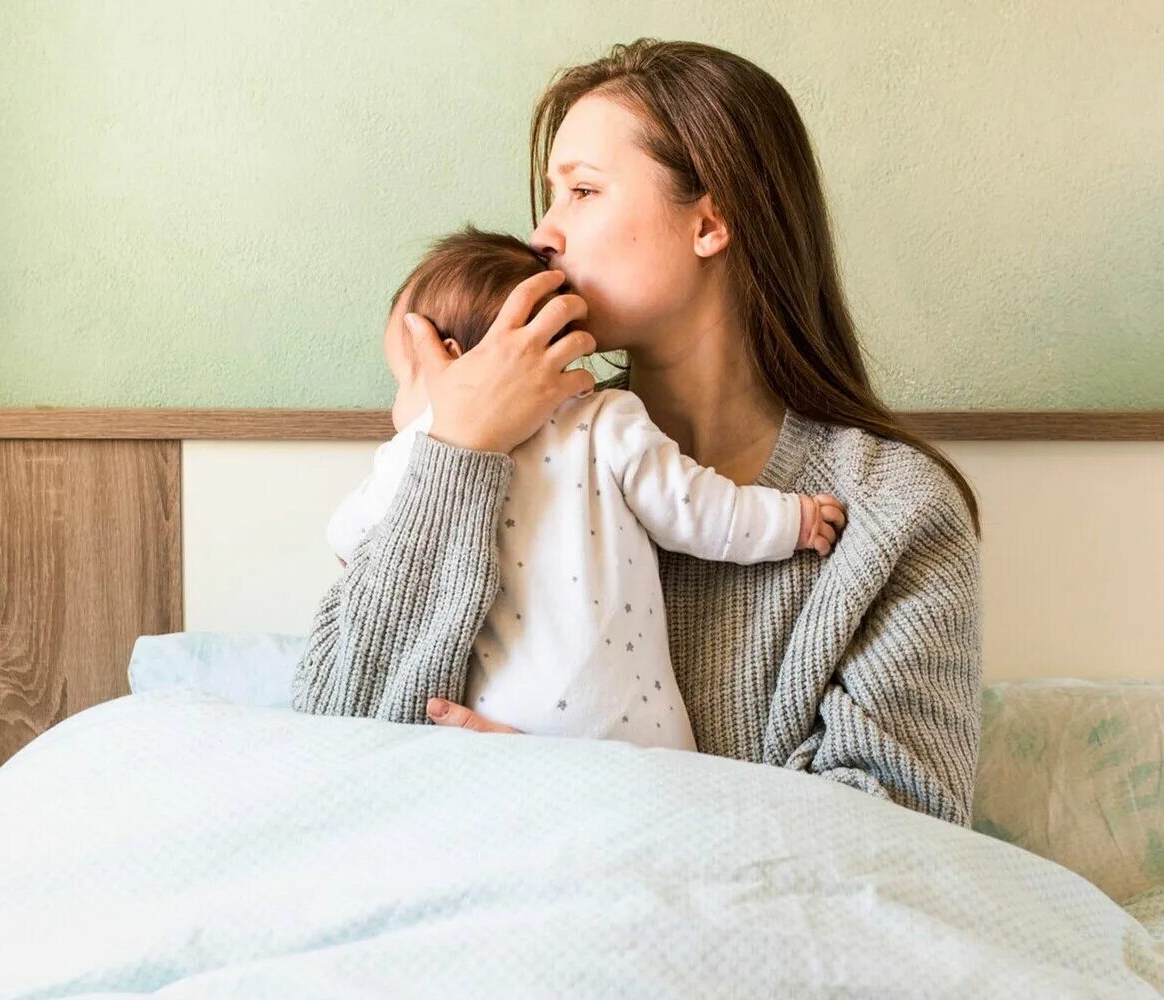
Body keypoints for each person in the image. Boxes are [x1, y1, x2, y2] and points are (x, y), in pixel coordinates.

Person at [290, 38, 983, 827]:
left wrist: (577, 786)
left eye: (581, 191)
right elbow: (334, 744)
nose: (544, 234)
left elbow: (902, 835)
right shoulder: (490, 450)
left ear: (709, 224)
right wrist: (453, 451)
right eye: (548, 198)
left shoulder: (892, 512)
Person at [317, 226, 846, 751]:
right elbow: (697, 509)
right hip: (645, 743)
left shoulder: (416, 453)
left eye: (401, 379)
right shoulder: (608, 421)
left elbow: (350, 547)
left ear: (449, 358)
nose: (395, 405)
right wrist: (790, 522)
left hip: (498, 737)